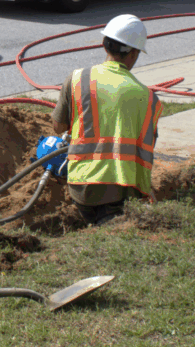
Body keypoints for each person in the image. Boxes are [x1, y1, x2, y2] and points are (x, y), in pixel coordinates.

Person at [50, 14, 163, 226]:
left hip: (80, 187)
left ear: (104, 45)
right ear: (134, 54)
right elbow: (145, 151)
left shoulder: (77, 79)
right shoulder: (149, 99)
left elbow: (59, 127)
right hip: (119, 191)